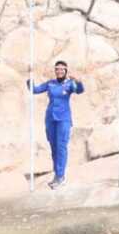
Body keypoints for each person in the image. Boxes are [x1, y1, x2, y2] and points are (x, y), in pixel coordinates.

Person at [28, 60, 85, 189]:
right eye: (57, 69)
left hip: (63, 119)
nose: (59, 71)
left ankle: (61, 176)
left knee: (61, 147)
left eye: (61, 69)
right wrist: (30, 75)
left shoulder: (70, 84)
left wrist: (79, 81)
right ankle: (56, 174)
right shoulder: (50, 83)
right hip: (50, 119)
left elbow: (80, 91)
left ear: (66, 70)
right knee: (53, 148)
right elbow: (34, 90)